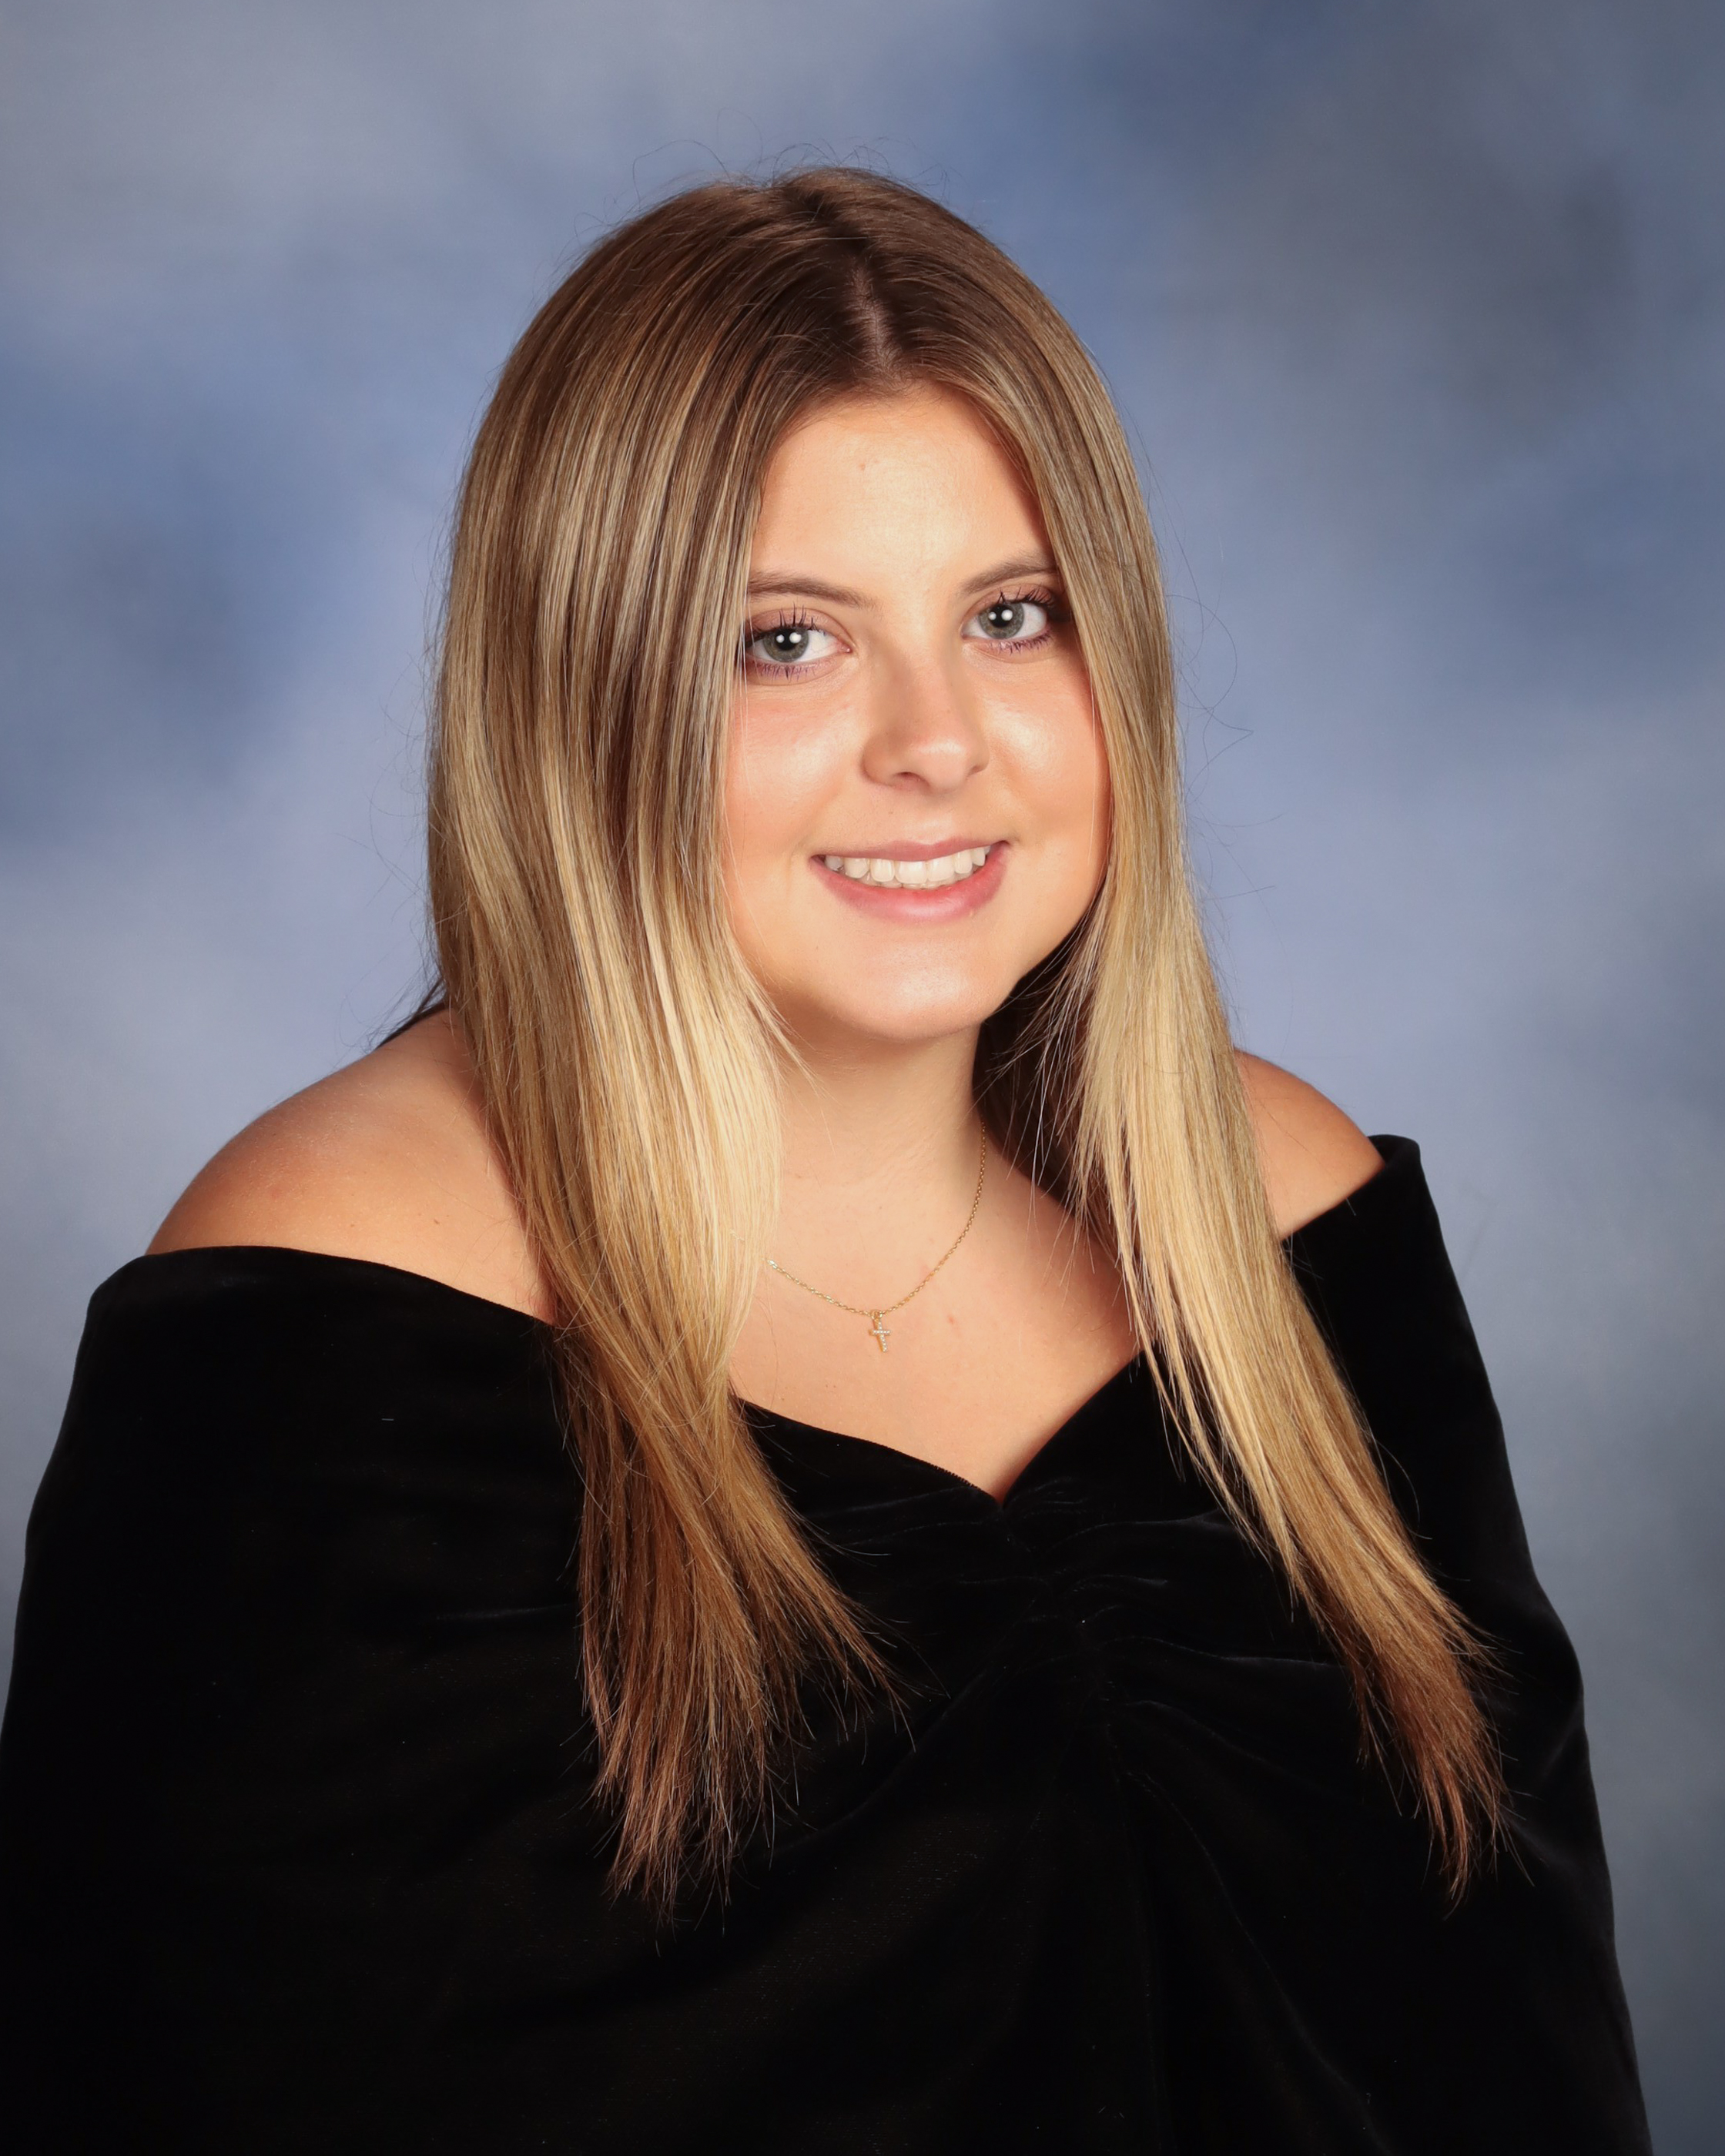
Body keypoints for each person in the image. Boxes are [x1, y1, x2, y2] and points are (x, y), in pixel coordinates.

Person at [0, 168, 1650, 2154]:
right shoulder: (334, 1292)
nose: (936, 742)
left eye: (1012, 618)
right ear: (582, 692)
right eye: (786, 641)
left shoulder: (1278, 1207)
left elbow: (1531, 2060)